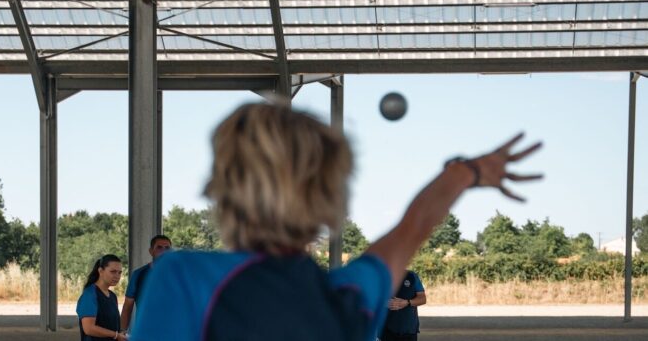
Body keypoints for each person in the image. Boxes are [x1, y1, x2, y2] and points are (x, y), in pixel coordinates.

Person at [130, 102, 542, 341]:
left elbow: (413, 226)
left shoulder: (182, 277)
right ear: (330, 203)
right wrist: (465, 174)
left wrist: (463, 174)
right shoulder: (348, 299)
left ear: (223, 188)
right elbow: (414, 227)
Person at [120, 234, 173, 331]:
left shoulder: (179, 275)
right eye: (159, 247)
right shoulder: (139, 274)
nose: (163, 251)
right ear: (151, 251)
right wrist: (122, 331)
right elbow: (127, 307)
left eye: (167, 248)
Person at [76, 254, 126, 341]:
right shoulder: (90, 295)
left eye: (119, 272)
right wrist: (116, 335)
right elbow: (88, 328)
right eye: (113, 272)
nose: (117, 276)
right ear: (100, 271)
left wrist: (120, 334)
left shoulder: (112, 296)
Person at [381, 270, 426, 341]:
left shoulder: (411, 276)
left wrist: (407, 302)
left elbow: (423, 299)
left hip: (408, 331)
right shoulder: (380, 276)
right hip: (386, 331)